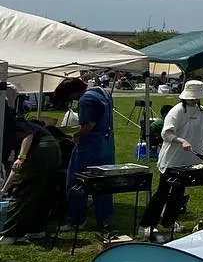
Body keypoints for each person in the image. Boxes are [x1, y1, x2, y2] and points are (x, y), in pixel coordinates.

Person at [141, 80, 203, 241]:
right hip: (172, 159)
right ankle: (147, 225)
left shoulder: (201, 111)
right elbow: (166, 134)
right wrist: (181, 140)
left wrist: (201, 150)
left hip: (190, 159)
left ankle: (169, 221)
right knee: (162, 193)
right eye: (192, 97)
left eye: (196, 98)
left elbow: (202, 133)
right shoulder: (177, 111)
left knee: (178, 194)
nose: (194, 100)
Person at [57, 76, 116, 235]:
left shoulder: (85, 99)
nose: (71, 101)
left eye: (69, 98)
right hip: (106, 145)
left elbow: (89, 124)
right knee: (102, 184)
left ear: (73, 92)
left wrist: (75, 135)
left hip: (89, 147)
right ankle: (105, 219)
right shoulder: (102, 92)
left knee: (76, 182)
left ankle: (76, 220)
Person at [0, 118, 65, 243]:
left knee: (22, 192)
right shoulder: (16, 122)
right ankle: (36, 230)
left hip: (40, 152)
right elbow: (15, 169)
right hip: (52, 150)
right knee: (40, 193)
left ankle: (9, 234)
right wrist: (3, 190)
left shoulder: (8, 123)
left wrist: (21, 157)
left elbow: (28, 134)